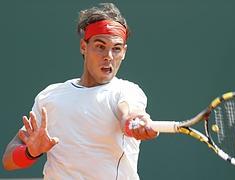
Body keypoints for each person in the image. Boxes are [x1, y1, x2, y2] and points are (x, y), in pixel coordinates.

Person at [2, 3, 158, 180]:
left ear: (124, 52)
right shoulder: (49, 96)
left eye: (116, 48)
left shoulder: (127, 91)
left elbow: (128, 114)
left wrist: (134, 123)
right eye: (100, 46)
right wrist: (30, 152)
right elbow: (8, 161)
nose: (109, 56)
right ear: (84, 46)